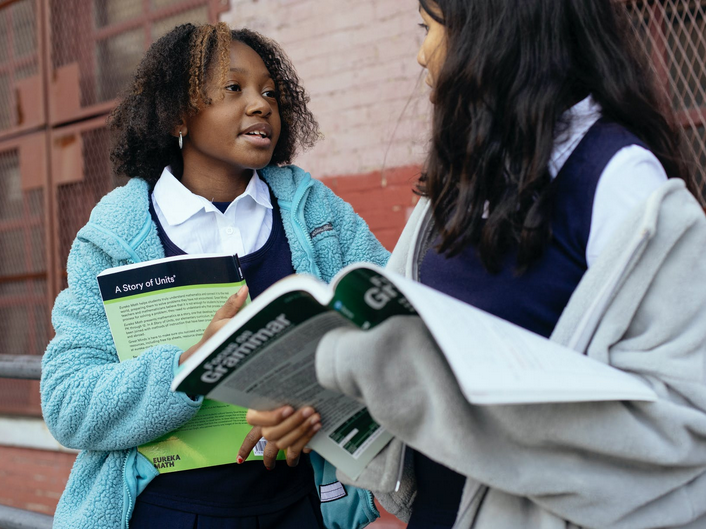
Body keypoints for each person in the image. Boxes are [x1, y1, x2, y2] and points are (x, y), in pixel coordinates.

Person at [248, 1, 706, 527]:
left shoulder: (618, 180)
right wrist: (315, 406)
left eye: (429, 28)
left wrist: (393, 371)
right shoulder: (455, 181)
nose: (422, 55)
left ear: (494, 29)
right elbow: (394, 368)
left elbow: (683, 430)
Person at [40, 22, 388, 529]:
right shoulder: (114, 238)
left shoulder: (318, 217)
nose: (261, 104)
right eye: (234, 88)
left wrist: (318, 410)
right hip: (165, 512)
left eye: (270, 92)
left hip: (301, 507)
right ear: (179, 112)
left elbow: (394, 334)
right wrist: (193, 366)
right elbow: (68, 402)